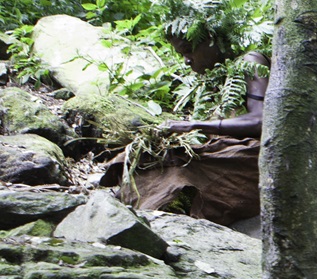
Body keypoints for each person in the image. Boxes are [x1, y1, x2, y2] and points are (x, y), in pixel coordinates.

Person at [104, 52, 267, 226]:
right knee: (150, 160)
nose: (187, 59)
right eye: (182, 53)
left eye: (189, 49)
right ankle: (154, 214)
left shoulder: (250, 61)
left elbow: (261, 119)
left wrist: (194, 125)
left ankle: (177, 211)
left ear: (211, 40)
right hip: (224, 150)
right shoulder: (209, 81)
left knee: (186, 167)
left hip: (251, 155)